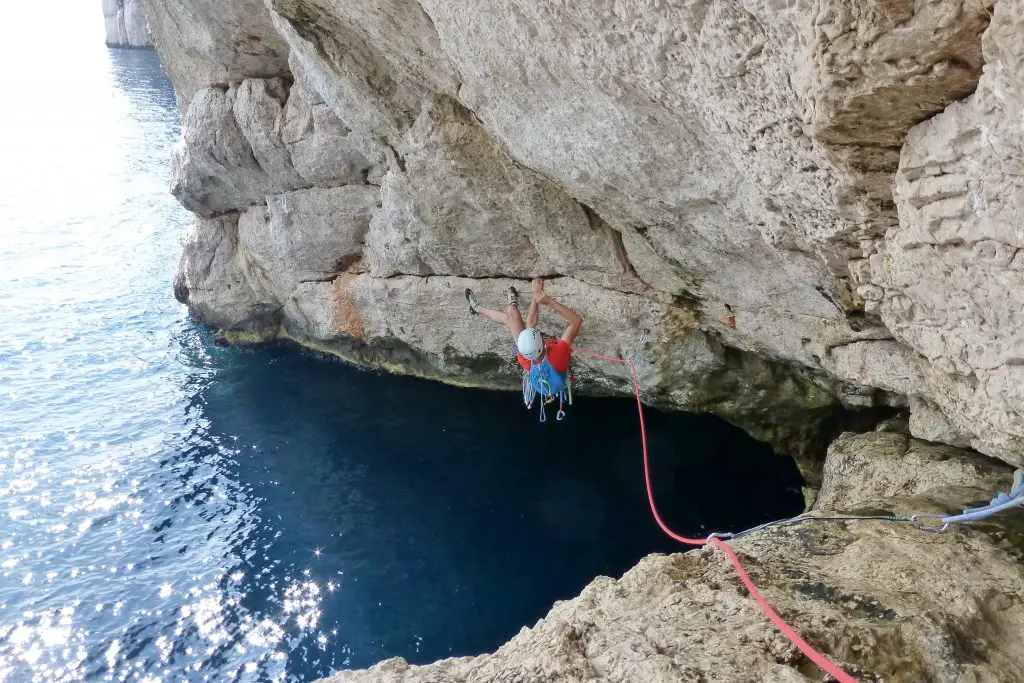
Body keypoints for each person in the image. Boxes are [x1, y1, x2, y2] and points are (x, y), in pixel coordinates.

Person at [465, 278, 583, 417]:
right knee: (511, 317)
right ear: (541, 340)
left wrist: (536, 294)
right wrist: (548, 301)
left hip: (547, 377)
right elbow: (576, 322)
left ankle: (479, 308)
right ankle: (484, 307)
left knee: (511, 316)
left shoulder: (525, 357)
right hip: (555, 373)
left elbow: (531, 324)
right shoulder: (557, 354)